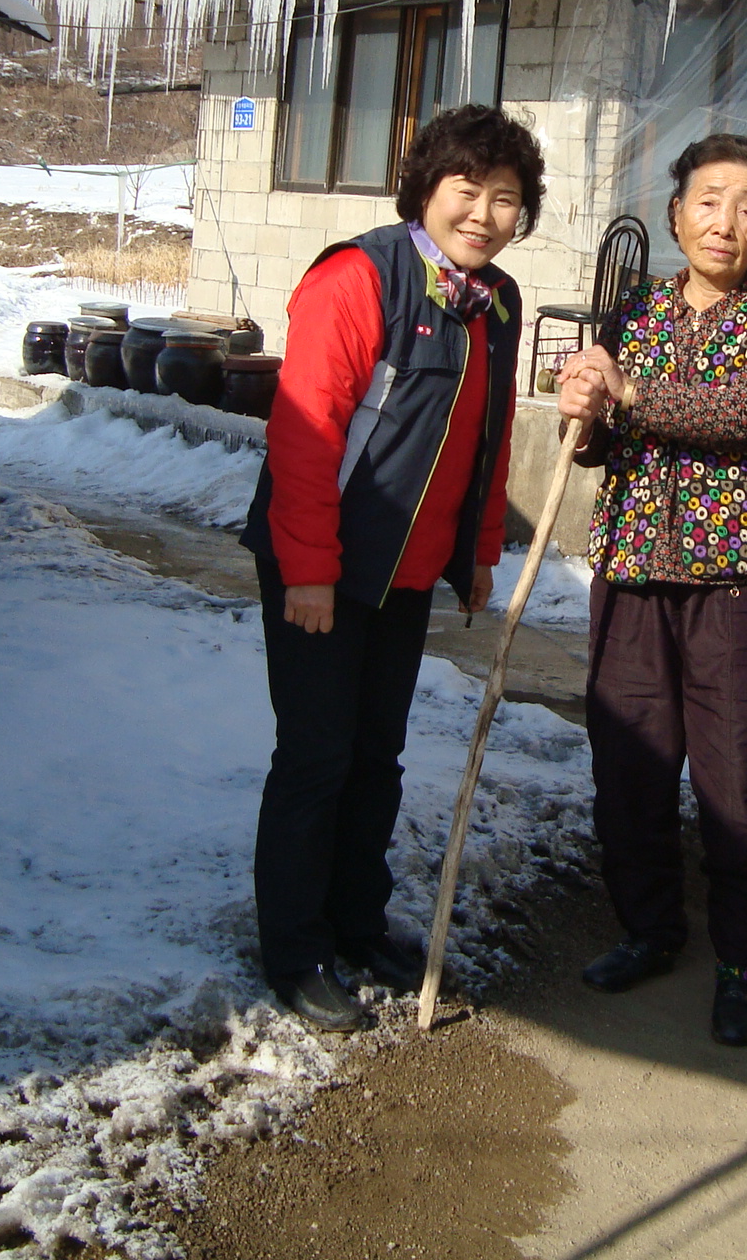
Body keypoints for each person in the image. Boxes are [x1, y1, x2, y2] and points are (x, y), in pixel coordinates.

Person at [241, 105, 545, 1033]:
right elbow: (304, 434)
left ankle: (357, 921)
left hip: (405, 572)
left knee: (377, 755)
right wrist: (308, 570)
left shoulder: (495, 302)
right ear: (424, 188)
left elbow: (488, 441)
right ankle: (295, 949)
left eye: (506, 198)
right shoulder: (359, 277)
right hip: (324, 567)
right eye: (468, 189)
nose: (484, 214)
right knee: (317, 757)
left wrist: (478, 552)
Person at [556, 134, 747, 1048]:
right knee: (629, 770)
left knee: (739, 779)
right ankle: (649, 928)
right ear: (676, 216)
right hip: (632, 570)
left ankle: (740, 961)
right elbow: (599, 444)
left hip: (740, 584)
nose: (725, 222)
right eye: (708, 200)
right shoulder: (632, 313)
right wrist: (585, 410)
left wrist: (628, 392)